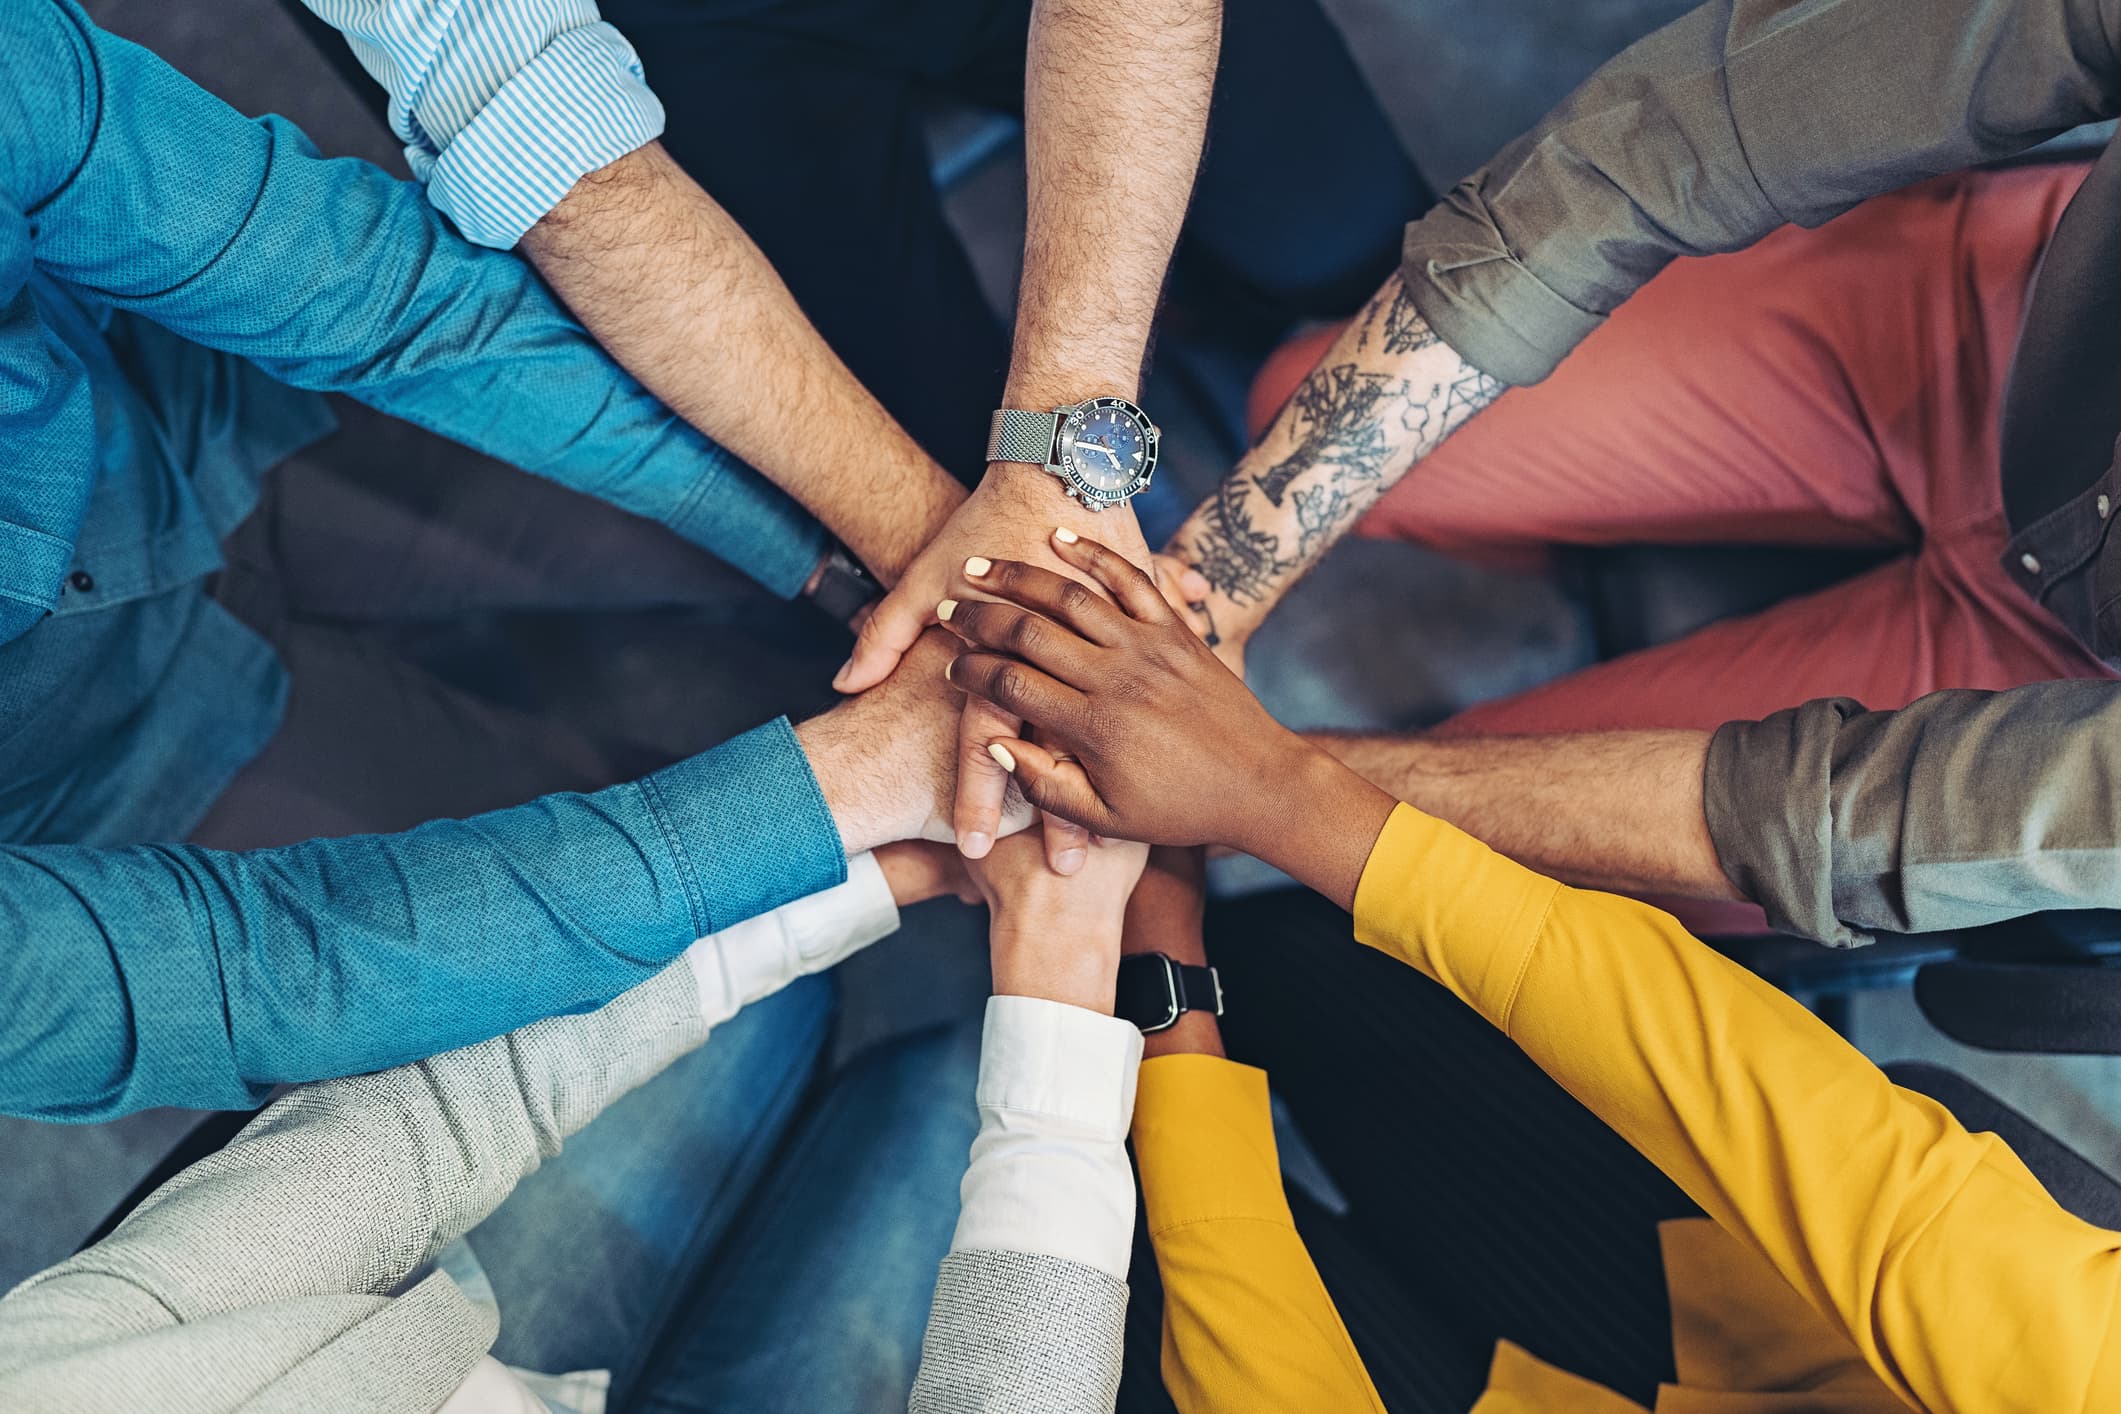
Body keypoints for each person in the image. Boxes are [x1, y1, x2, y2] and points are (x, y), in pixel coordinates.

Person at [931, 528, 2121, 1410]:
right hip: (1751, 1325)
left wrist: (1154, 981)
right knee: (1314, 957)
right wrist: (1268, 795)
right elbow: (1825, 1147)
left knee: (1106, 1249)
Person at [296, 0, 1420, 875]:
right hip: (661, 36)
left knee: (1339, 233)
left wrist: (1065, 422)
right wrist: (988, 564)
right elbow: (551, 154)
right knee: (918, 417)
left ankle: (1213, 318)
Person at [1144, 0, 2121, 945]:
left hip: (2037, 692)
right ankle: (1567, 541)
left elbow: (1845, 823)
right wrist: (1219, 580)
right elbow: (1675, 141)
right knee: (1291, 398)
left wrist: (1265, 776)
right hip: (1994, 320)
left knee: (1454, 855)